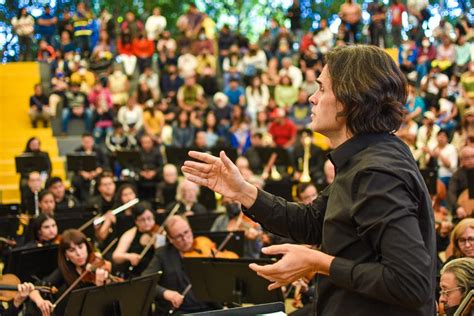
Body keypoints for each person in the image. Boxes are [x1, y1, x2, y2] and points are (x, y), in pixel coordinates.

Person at [182, 45, 436, 315]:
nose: (312, 99)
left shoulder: (376, 172)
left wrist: (319, 262)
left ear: (352, 100)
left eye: (322, 89)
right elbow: (313, 221)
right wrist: (244, 192)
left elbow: (411, 283)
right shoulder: (367, 157)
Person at [141, 215, 218, 315]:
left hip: (208, 308)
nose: (185, 239)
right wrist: (166, 293)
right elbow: (145, 281)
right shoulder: (162, 254)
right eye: (179, 236)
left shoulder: (204, 247)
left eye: (186, 232)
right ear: (170, 239)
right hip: (179, 311)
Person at [28, 229, 112, 316]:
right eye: (72, 250)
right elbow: (34, 289)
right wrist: (40, 302)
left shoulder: (99, 266)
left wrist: (99, 285)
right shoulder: (65, 271)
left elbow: (107, 304)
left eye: (81, 247)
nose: (79, 253)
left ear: (87, 247)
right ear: (66, 255)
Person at [112, 201, 165, 278]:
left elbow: (162, 256)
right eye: (142, 220)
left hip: (156, 273)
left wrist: (157, 244)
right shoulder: (130, 234)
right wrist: (129, 256)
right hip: (136, 274)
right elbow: (116, 256)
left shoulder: (159, 232)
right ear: (136, 221)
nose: (147, 223)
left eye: (149, 218)